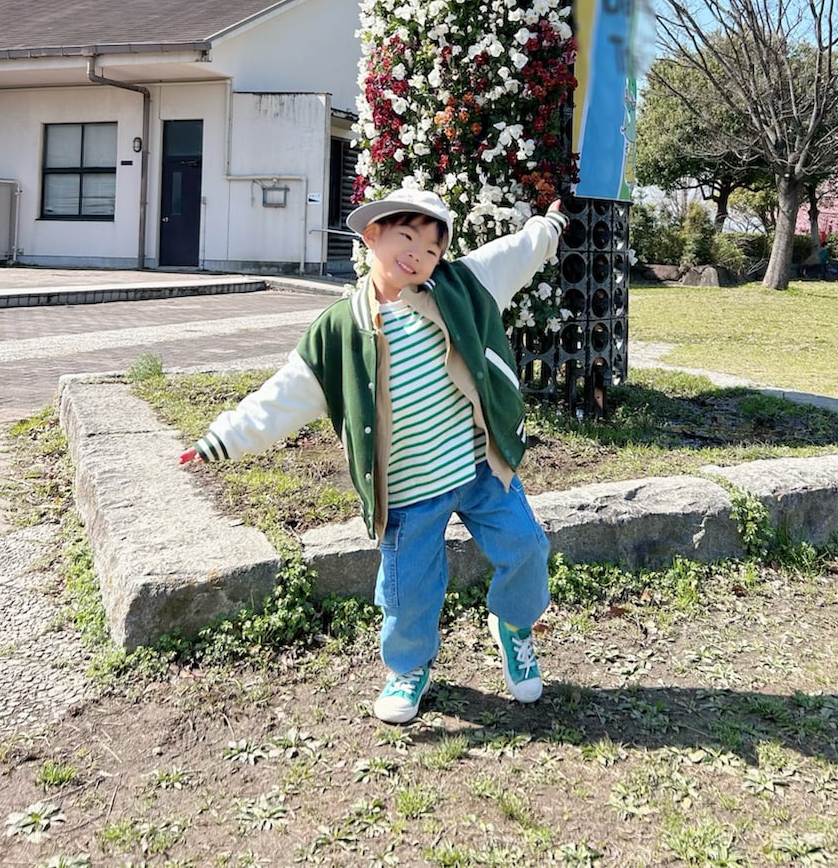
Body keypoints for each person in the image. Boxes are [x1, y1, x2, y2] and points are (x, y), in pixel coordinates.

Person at [180, 187, 568, 724]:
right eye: (406, 237)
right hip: (407, 492)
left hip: (480, 467)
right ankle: (409, 668)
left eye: (431, 249)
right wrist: (221, 438)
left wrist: (547, 229)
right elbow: (284, 395)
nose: (418, 255)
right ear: (372, 236)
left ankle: (514, 626)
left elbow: (515, 254)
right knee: (407, 593)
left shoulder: (460, 286)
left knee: (527, 547)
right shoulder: (340, 329)